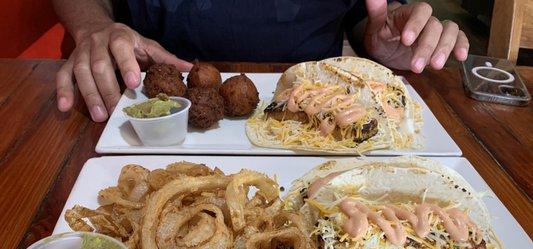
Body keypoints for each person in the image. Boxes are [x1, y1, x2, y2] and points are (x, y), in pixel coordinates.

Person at [53, 0, 469, 122]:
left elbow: (367, 17)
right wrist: (92, 25)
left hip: (313, 117)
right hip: (141, 104)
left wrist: (383, 44)